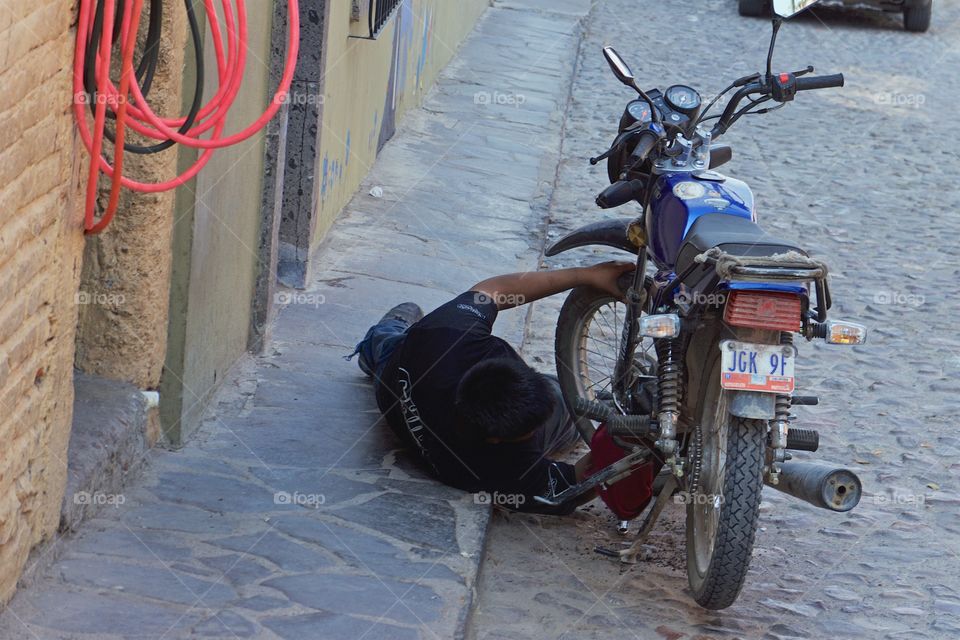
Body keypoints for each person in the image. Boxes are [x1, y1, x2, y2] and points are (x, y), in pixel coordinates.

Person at [350, 262, 634, 514]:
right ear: (496, 440)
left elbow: (493, 290)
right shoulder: (502, 473)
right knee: (576, 405)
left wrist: (586, 275)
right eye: (530, 429)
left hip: (391, 378)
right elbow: (571, 487)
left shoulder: (445, 337)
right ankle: (608, 405)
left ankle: (378, 339)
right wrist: (625, 441)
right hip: (394, 381)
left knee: (389, 341)